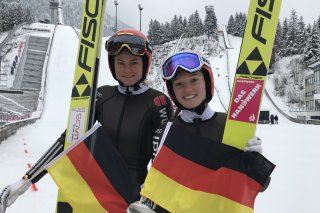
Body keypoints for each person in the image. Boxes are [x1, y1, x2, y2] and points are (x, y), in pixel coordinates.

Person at [0, 28, 173, 213]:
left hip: (133, 202)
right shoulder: (102, 95)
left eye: (134, 62)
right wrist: (27, 179)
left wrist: (151, 203)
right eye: (120, 62)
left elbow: (164, 162)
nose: (127, 69)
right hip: (94, 198)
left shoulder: (158, 103)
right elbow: (68, 140)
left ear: (145, 63)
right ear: (112, 64)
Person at [127, 51, 270, 213]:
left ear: (207, 82)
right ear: (172, 91)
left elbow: (258, 187)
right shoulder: (165, 132)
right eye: (179, 84)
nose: (188, 90)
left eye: (194, 80)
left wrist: (254, 164)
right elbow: (159, 189)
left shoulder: (230, 126)